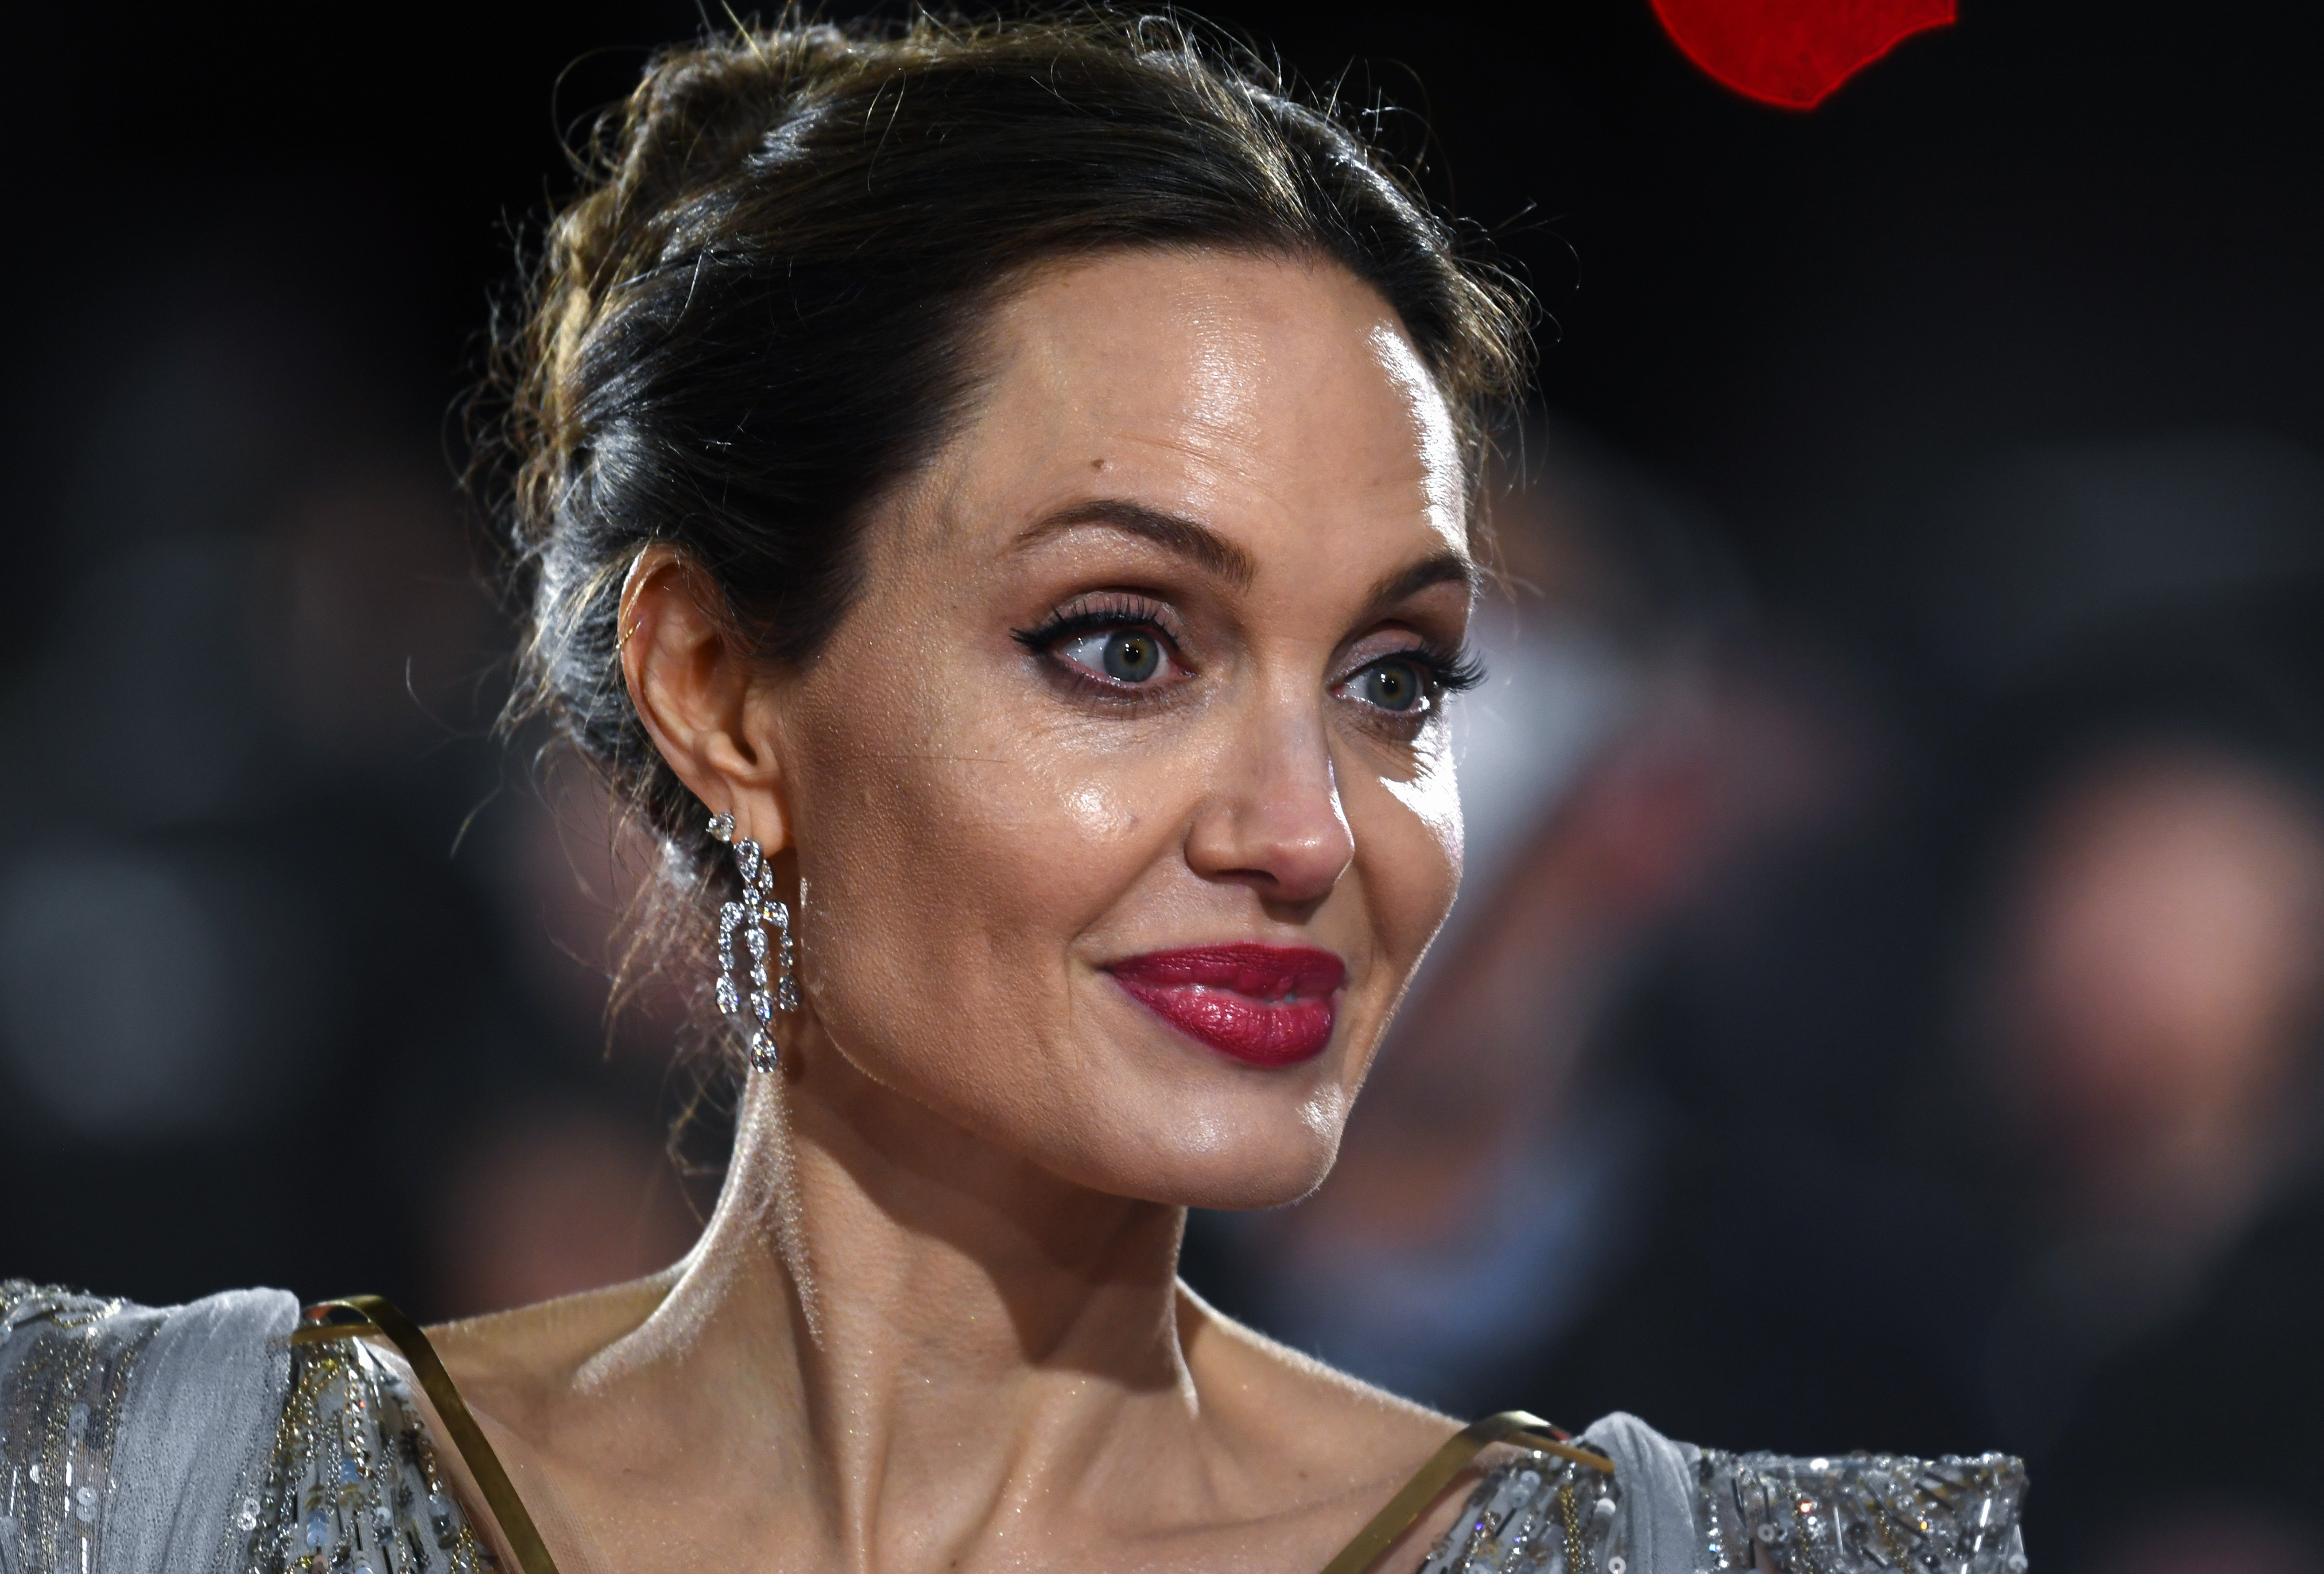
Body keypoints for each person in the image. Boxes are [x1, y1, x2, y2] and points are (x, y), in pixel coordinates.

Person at [0, 16, 2025, 1574]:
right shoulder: (128, 1486)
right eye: (1122, 646)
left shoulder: (1752, 1554)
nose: (1307, 831)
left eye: (1394, 678)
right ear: (716, 692)